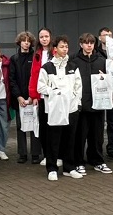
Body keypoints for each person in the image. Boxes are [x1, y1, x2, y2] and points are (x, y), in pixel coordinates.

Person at [37, 35, 82, 180]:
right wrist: (54, 92)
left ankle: (69, 168)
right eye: (62, 46)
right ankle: (52, 168)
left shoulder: (73, 66)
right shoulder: (47, 67)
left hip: (71, 108)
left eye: (66, 46)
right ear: (55, 49)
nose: (65, 49)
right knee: (53, 139)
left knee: (70, 138)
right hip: (54, 109)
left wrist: (77, 101)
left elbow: (78, 86)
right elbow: (40, 87)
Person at [71, 33, 112, 175]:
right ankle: (78, 162)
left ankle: (97, 161)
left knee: (97, 136)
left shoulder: (102, 61)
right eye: (86, 43)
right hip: (81, 105)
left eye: (91, 43)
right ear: (81, 44)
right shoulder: (74, 61)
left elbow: (109, 80)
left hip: (98, 104)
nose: (89, 45)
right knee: (80, 136)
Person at [9, 31, 41, 164]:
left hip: (33, 97)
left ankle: (35, 154)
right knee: (20, 126)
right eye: (24, 41)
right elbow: (12, 79)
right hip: (20, 99)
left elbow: (38, 77)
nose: (26, 43)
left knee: (35, 125)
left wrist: (33, 96)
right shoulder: (14, 59)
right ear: (19, 42)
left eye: (28, 41)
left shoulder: (36, 57)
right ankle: (22, 154)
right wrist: (18, 96)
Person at [28, 27, 53, 165]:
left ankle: (56, 155)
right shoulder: (37, 54)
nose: (44, 39)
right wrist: (34, 96)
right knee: (43, 127)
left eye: (46, 36)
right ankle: (47, 155)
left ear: (50, 37)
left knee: (54, 126)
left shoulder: (55, 52)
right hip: (41, 97)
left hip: (54, 96)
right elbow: (34, 76)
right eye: (42, 37)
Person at [97, 27, 113, 161]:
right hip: (99, 90)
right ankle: (98, 148)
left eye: (110, 35)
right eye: (105, 35)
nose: (108, 37)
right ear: (100, 37)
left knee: (112, 121)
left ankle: (111, 148)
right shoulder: (95, 51)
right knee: (99, 121)